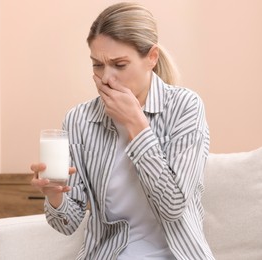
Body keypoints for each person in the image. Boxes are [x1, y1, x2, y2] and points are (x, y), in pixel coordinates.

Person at [31, 2, 215, 260]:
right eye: (97, 65)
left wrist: (136, 125)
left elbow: (173, 206)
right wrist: (54, 196)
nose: (106, 78)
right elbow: (68, 224)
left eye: (119, 65)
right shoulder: (79, 120)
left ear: (151, 57)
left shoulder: (185, 107)